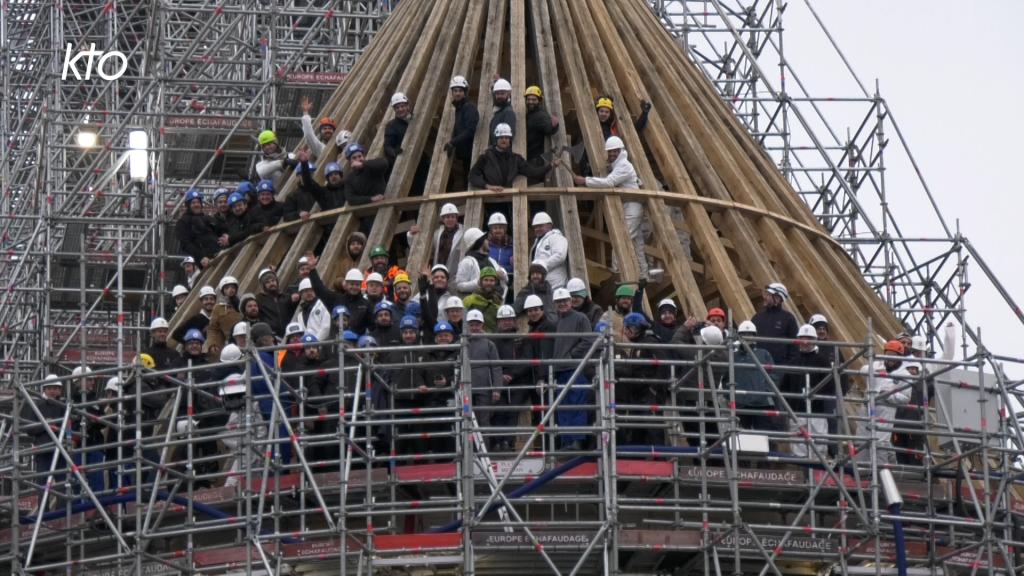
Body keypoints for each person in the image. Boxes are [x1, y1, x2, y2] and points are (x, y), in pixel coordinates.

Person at [573, 136, 646, 278]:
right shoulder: (618, 165)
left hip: (632, 208)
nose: (612, 154)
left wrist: (585, 181)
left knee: (622, 239)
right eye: (610, 152)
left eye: (615, 151)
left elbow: (609, 182)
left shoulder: (624, 165)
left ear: (621, 151)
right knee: (636, 243)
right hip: (629, 207)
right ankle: (643, 274)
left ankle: (617, 272)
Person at [617, 313, 672, 445]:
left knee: (652, 427)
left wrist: (654, 388)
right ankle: (639, 458)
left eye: (629, 328)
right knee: (638, 427)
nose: (627, 332)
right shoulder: (638, 344)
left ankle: (658, 459)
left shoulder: (650, 342)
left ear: (637, 328)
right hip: (639, 393)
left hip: (649, 393)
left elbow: (664, 365)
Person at [551, 288, 595, 450]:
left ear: (570, 302)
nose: (562, 304)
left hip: (575, 369)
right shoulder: (556, 321)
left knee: (576, 404)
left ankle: (576, 441)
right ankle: (567, 441)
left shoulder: (580, 318)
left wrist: (572, 355)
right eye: (559, 302)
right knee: (563, 407)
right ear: (555, 304)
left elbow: (587, 341)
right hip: (559, 370)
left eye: (565, 301)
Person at [781, 324, 834, 458]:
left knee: (819, 444)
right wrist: (790, 404)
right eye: (802, 338)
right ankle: (803, 475)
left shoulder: (822, 361)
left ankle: (817, 475)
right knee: (798, 445)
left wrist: (817, 395)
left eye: (808, 338)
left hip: (817, 411)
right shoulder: (794, 361)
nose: (805, 342)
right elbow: (784, 387)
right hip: (797, 411)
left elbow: (830, 385)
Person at [857, 340, 912, 465]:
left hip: (886, 410)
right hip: (867, 407)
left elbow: (905, 398)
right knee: (862, 439)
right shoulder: (878, 365)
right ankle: (861, 472)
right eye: (888, 354)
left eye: (894, 355)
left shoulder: (904, 374)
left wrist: (889, 395)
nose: (890, 358)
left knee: (880, 442)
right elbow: (862, 370)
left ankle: (882, 473)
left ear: (900, 357)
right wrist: (876, 370)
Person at [729, 321, 782, 434]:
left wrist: (766, 392)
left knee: (765, 437)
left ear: (755, 336)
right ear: (739, 336)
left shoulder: (764, 354)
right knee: (742, 438)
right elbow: (726, 379)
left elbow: (773, 376)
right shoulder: (733, 356)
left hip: (762, 404)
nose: (747, 337)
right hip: (741, 404)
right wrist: (731, 396)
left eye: (750, 334)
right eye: (744, 334)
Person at [469, 123, 552, 192]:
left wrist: (550, 166)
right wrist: (488, 186)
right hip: (490, 200)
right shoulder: (485, 157)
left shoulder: (516, 159)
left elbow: (532, 172)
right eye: (501, 137)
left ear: (510, 140)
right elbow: (473, 176)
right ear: (496, 139)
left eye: (506, 137)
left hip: (508, 200)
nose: (504, 140)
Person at [304, 256, 373, 333]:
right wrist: (312, 270)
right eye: (351, 284)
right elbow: (320, 289)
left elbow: (373, 327)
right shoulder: (336, 299)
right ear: (346, 284)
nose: (354, 287)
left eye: (357, 284)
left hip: (357, 343)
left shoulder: (366, 304)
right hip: (336, 342)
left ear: (361, 285)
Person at [21, 375, 67, 490]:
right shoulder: (37, 406)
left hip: (61, 451)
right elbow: (29, 429)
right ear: (44, 390)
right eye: (50, 388)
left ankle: (60, 509)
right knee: (44, 486)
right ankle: (44, 508)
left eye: (56, 388)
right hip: (43, 451)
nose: (53, 391)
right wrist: (45, 425)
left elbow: (69, 427)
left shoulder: (65, 407)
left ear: (60, 390)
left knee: (62, 485)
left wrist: (56, 427)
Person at [465, 309, 503, 449]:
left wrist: (497, 389)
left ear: (482, 325)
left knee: (484, 421)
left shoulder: (489, 344)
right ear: (467, 325)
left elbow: (496, 367)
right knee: (466, 421)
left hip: (484, 389)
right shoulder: (461, 343)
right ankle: (468, 452)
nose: (474, 327)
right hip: (466, 389)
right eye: (472, 324)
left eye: (477, 324)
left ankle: (483, 452)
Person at [424, 322, 459, 455]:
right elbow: (421, 372)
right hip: (431, 399)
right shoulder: (428, 354)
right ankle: (437, 459)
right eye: (440, 336)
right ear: (435, 338)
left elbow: (463, 373)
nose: (443, 338)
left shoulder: (458, 352)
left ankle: (451, 460)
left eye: (446, 335)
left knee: (450, 433)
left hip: (450, 399)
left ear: (451, 337)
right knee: (434, 433)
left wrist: (448, 382)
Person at [341, 142, 388, 233]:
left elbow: (384, 163)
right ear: (349, 161)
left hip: (384, 207)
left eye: (359, 156)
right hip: (368, 214)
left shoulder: (371, 167)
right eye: (354, 158)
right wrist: (371, 199)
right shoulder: (349, 179)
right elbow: (351, 199)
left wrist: (364, 164)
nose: (358, 159)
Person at [444, 75, 479, 190]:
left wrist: (453, 142)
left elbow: (470, 130)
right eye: (455, 91)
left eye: (460, 91)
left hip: (471, 153)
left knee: (469, 181)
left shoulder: (469, 108)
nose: (457, 93)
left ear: (465, 92)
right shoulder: (459, 108)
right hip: (464, 154)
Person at [751, 283, 799, 367]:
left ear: (777, 298)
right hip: (758, 367)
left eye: (768, 295)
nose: (765, 297)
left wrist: (787, 368)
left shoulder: (788, 319)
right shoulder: (757, 318)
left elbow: (795, 348)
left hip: (779, 368)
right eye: (765, 294)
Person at [408, 202, 464, 273]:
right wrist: (411, 236)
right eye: (447, 217)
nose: (450, 219)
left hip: (455, 275)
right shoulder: (437, 234)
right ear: (443, 219)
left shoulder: (464, 232)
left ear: (456, 218)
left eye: (452, 216)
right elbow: (425, 248)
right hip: (438, 274)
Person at [455, 227, 508, 296]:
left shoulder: (490, 260)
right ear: (480, 242)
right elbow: (459, 286)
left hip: (496, 303)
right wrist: (479, 283)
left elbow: (505, 278)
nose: (488, 241)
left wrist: (502, 274)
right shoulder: (467, 262)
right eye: (485, 239)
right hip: (477, 304)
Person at [175, 188, 220, 267]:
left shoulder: (207, 218)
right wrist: (201, 257)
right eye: (193, 202)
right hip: (204, 261)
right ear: (188, 205)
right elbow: (186, 244)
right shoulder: (183, 222)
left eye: (198, 202)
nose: (196, 205)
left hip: (217, 255)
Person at [529, 212, 569, 290]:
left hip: (556, 284)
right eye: (535, 227)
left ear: (549, 225)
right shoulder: (538, 241)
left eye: (540, 226)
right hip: (543, 285)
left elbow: (560, 256)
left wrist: (541, 267)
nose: (537, 229)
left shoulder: (556, 237)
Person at [206, 276, 241, 360]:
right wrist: (212, 343)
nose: (230, 290)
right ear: (223, 291)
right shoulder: (219, 308)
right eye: (227, 288)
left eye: (233, 287)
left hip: (245, 339)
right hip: (231, 342)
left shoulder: (242, 303)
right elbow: (213, 328)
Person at [417, 263, 454, 339]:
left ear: (447, 280)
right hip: (427, 334)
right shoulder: (421, 295)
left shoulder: (451, 298)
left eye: (442, 277)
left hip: (445, 335)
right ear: (431, 279)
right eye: (436, 277)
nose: (439, 279)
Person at [255, 268, 295, 338]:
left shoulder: (285, 297)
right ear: (263, 285)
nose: (271, 283)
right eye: (267, 282)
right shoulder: (259, 299)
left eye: (273, 281)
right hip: (272, 338)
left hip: (289, 335)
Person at [524, 85, 558, 165]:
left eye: (534, 100)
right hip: (529, 156)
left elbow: (548, 129)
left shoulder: (540, 115)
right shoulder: (531, 113)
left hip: (534, 159)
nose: (530, 102)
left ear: (539, 101)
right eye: (528, 99)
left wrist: (554, 125)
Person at [463, 267, 504, 332]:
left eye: (491, 280)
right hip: (473, 337)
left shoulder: (499, 301)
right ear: (480, 282)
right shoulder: (469, 300)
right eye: (486, 280)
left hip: (493, 339)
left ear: (495, 282)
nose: (489, 283)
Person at [384, 92, 412, 168]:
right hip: (406, 162)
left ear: (408, 106)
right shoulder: (391, 126)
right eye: (397, 107)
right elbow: (387, 146)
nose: (400, 109)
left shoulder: (415, 119)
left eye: (402, 106)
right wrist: (394, 152)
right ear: (394, 109)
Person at [486, 212, 513, 284]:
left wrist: (502, 268)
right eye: (495, 228)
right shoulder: (485, 246)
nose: (498, 230)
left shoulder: (513, 246)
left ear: (505, 229)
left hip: (509, 282)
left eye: (501, 228)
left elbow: (515, 268)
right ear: (491, 230)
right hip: (489, 282)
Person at [488, 78, 515, 146]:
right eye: (497, 94)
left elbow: (508, 138)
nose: (499, 96)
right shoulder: (500, 110)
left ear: (508, 94)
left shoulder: (508, 113)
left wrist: (495, 150)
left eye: (502, 93)